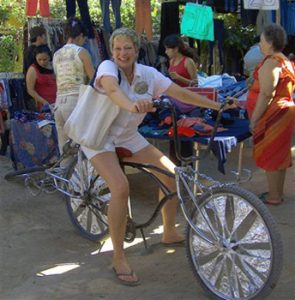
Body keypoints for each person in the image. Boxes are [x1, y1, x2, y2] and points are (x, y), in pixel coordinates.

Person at [81, 28, 235, 286]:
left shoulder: (148, 74)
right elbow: (112, 91)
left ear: (136, 49)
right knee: (120, 187)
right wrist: (132, 105)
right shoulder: (107, 67)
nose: (122, 53)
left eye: (127, 47)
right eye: (117, 48)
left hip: (128, 135)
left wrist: (217, 105)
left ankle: (169, 231)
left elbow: (180, 93)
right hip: (98, 135)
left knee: (172, 174)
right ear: (112, 51)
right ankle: (118, 257)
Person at [246, 24, 295, 206]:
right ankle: (277, 193)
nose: (260, 43)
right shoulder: (285, 60)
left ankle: (274, 197)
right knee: (280, 156)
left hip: (273, 114)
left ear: (270, 42)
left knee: (271, 156)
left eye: (262, 40)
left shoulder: (272, 62)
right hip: (283, 112)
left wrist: (254, 119)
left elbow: (267, 93)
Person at [53, 17, 95, 156]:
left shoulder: (56, 55)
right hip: (76, 101)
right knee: (82, 144)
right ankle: (84, 177)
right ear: (81, 36)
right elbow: (94, 78)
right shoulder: (81, 52)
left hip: (58, 102)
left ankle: (66, 175)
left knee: (64, 145)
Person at [163, 34, 199, 166]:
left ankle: (187, 165)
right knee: (174, 133)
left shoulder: (187, 62)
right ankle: (175, 163)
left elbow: (196, 84)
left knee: (185, 135)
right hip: (175, 101)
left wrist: (179, 78)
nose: (166, 52)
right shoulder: (171, 62)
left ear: (176, 49)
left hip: (188, 103)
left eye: (168, 49)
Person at [26, 45, 57, 111]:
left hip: (58, 102)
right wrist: (44, 102)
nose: (42, 62)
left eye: (44, 59)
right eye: (39, 60)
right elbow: (30, 90)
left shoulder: (54, 66)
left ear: (49, 57)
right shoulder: (33, 69)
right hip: (44, 106)